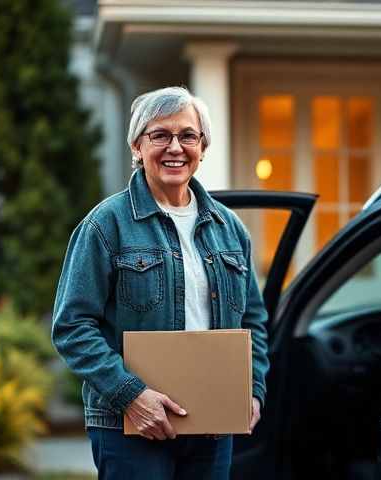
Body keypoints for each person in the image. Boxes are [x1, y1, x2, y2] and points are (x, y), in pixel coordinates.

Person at [52, 86, 268, 480]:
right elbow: (71, 327)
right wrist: (130, 395)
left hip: (212, 425)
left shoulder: (230, 229)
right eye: (160, 135)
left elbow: (252, 320)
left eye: (187, 135)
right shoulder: (106, 225)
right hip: (129, 425)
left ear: (202, 148)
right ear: (137, 146)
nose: (175, 147)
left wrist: (252, 388)